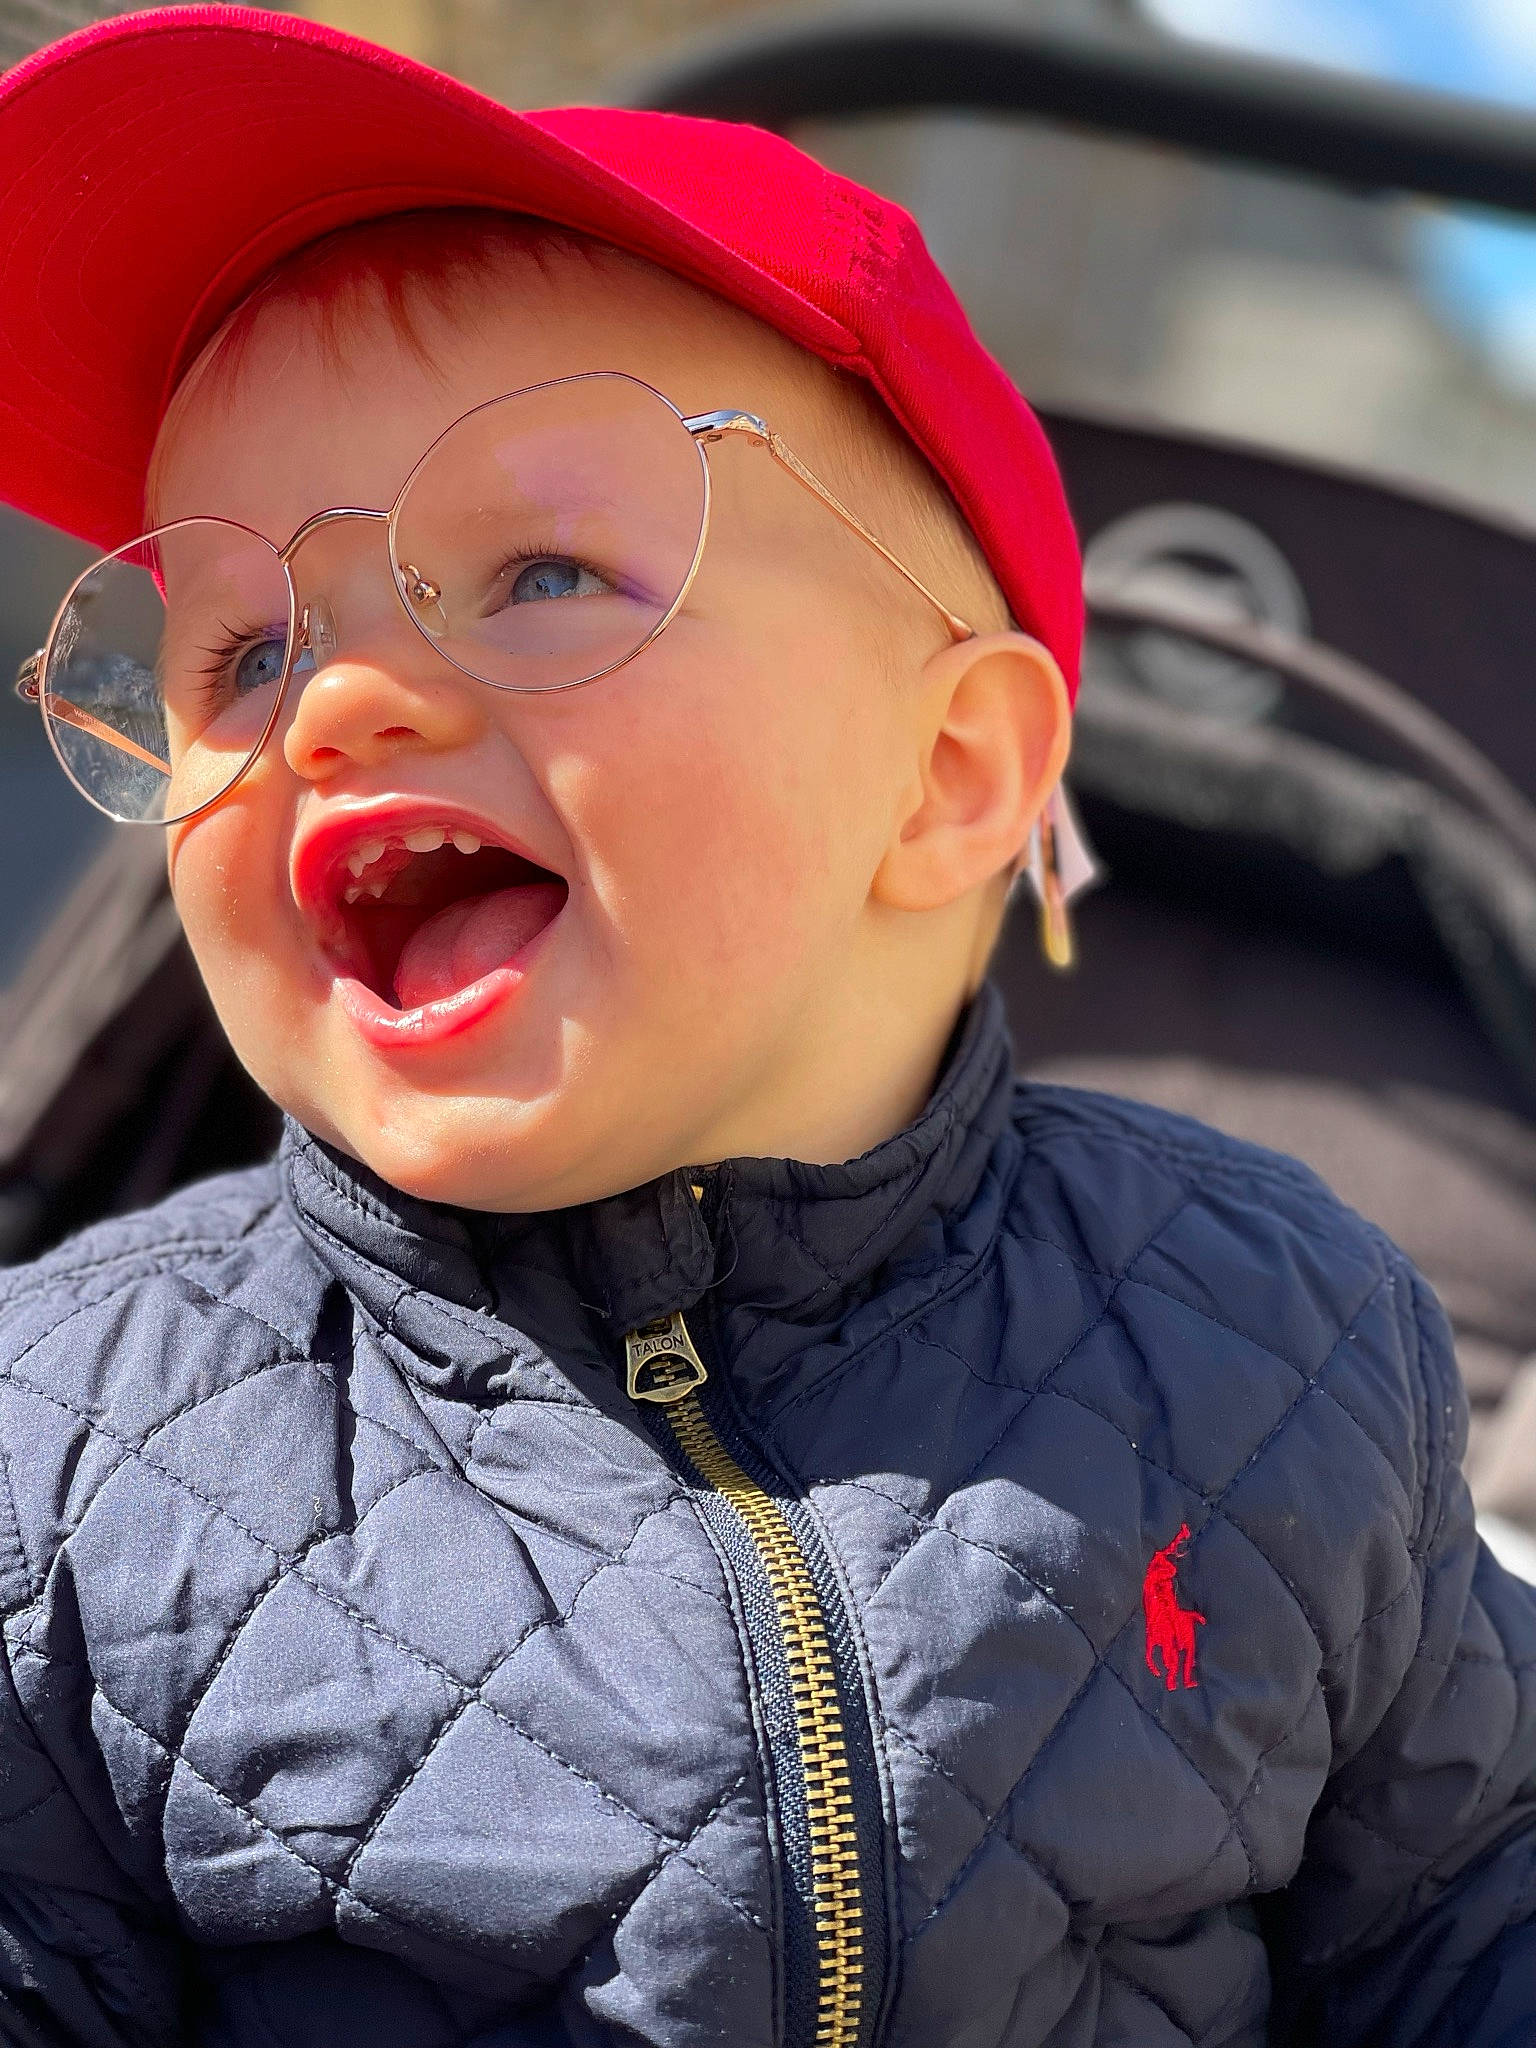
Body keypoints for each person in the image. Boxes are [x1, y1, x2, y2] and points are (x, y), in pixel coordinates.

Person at [0, 12, 1530, 2047]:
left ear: (953, 774)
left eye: (540, 570)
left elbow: (1463, 1918)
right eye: (243, 642)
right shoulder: (74, 1457)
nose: (340, 701)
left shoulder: (1283, 1336)